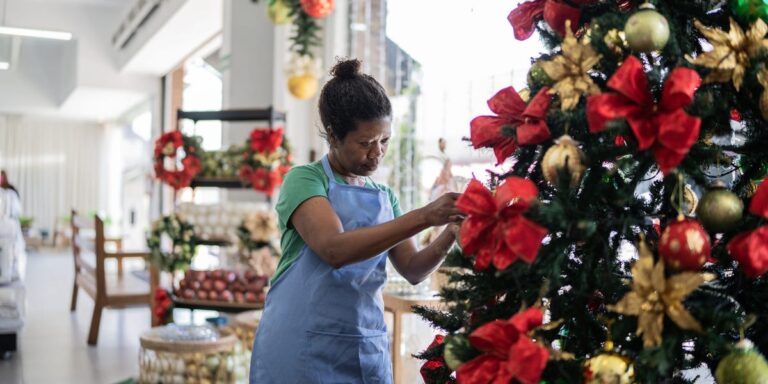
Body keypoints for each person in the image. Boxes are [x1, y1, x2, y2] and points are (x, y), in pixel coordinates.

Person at [250, 59, 463, 383]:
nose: (377, 153)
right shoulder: (305, 180)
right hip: (301, 347)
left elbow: (415, 269)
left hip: (365, 345)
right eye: (365, 143)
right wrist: (423, 216)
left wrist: (451, 229)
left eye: (384, 141)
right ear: (333, 136)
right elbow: (335, 250)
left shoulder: (384, 195)